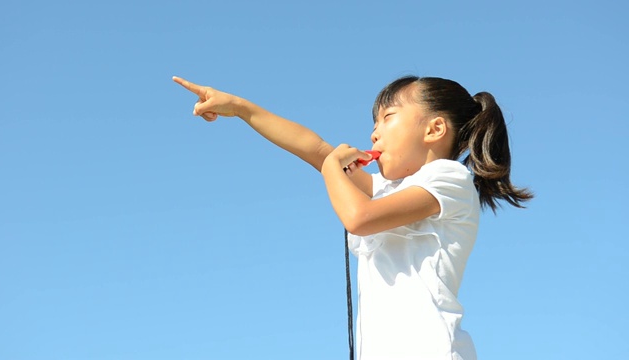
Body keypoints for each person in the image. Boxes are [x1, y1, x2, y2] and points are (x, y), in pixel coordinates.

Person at [173, 75, 533, 360]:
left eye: (388, 118)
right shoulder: (391, 190)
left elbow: (358, 217)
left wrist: (332, 167)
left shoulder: (448, 178)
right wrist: (240, 107)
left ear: (434, 130)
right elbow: (314, 148)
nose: (374, 132)